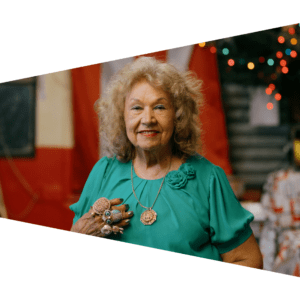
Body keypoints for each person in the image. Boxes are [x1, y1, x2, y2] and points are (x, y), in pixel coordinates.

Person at [70, 56, 263, 268]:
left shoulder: (208, 178)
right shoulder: (103, 173)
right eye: (136, 108)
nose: (148, 119)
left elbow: (247, 259)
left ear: (178, 116)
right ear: (121, 116)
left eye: (160, 107)